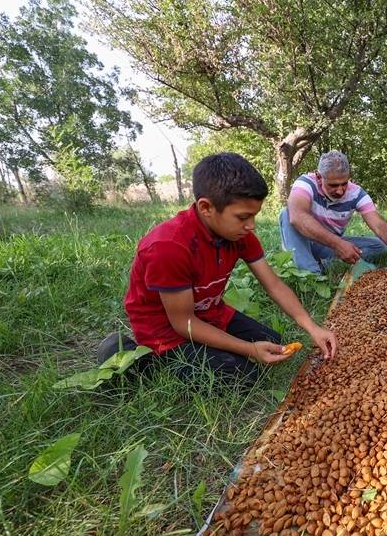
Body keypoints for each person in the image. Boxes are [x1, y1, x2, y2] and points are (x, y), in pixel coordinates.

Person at [97, 152, 337, 384]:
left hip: (210, 313)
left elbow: (273, 285)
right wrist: (247, 349)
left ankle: (214, 348)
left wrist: (312, 328)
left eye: (254, 216)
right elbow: (184, 324)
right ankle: (129, 356)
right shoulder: (168, 246)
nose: (251, 226)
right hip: (166, 331)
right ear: (206, 208)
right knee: (242, 376)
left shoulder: (238, 235)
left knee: (275, 343)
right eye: (243, 217)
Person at [279, 151, 387, 275]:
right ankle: (312, 275)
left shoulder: (357, 193)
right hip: (301, 242)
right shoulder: (305, 183)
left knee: (379, 246)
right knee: (287, 213)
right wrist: (338, 244)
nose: (340, 190)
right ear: (319, 177)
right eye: (333, 185)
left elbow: (378, 225)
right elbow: (297, 216)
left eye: (344, 183)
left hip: (328, 245)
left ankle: (327, 265)